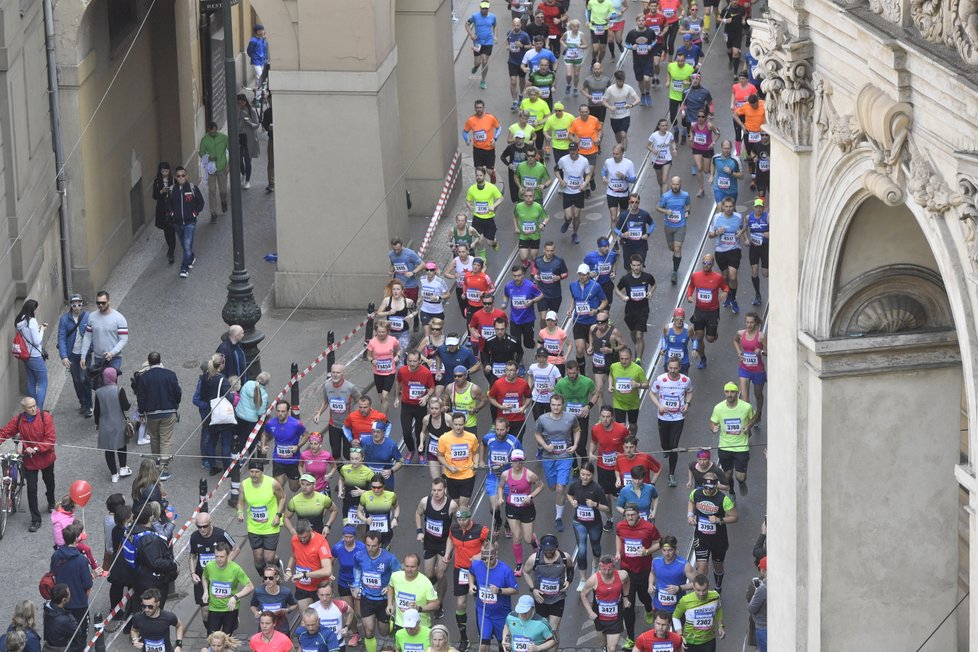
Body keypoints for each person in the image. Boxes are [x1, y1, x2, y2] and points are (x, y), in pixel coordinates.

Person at [0, 397, 56, 532]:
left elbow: (50, 439)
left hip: (46, 457)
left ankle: (51, 501)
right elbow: (5, 432)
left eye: (35, 406)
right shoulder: (19, 420)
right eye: (30, 407)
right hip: (29, 460)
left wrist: (36, 448)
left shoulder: (45, 417)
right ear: (24, 409)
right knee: (31, 489)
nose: (34, 409)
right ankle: (35, 519)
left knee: (49, 481)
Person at [613, 504, 660, 647]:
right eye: (627, 515)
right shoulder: (621, 526)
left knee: (644, 596)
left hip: (644, 569)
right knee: (628, 605)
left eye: (633, 515)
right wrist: (618, 552)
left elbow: (659, 542)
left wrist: (646, 551)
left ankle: (648, 608)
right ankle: (631, 638)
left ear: (638, 514)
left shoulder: (648, 527)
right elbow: (618, 536)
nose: (630, 518)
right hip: (627, 571)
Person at [444, 509, 490, 651]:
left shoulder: (481, 530)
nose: (461, 523)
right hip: (461, 569)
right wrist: (447, 553)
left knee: (480, 602)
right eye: (459, 520)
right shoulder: (454, 528)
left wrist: (480, 555)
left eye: (464, 520)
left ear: (470, 518)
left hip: (478, 570)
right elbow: (450, 538)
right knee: (460, 603)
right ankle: (464, 637)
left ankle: (483, 633)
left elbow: (492, 543)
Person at [535, 394, 580, 532]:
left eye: (558, 405)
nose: (556, 407)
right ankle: (561, 490)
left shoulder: (570, 417)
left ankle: (558, 518)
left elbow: (577, 430)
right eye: (553, 405)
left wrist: (575, 445)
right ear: (550, 405)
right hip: (548, 456)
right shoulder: (542, 419)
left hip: (565, 455)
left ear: (563, 405)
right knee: (552, 487)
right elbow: (537, 434)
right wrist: (544, 446)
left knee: (561, 488)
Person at [687, 471, 737, 592]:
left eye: (711, 488)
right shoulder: (696, 493)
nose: (708, 491)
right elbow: (691, 501)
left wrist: (719, 519)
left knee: (718, 567)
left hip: (718, 539)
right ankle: (703, 592)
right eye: (706, 488)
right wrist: (690, 515)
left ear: (716, 486)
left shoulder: (723, 499)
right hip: (701, 537)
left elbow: (735, 517)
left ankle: (718, 586)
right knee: (701, 568)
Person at [352, 532, 401, 652]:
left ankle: (391, 623)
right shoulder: (359, 555)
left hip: (383, 599)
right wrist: (357, 585)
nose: (370, 548)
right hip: (366, 598)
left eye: (373, 546)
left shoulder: (389, 558)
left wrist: (390, 585)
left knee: (384, 632)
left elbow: (398, 573)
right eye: (368, 545)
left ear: (379, 544)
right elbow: (357, 568)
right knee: (368, 631)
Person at [135, 351, 181, 476]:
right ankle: (163, 469)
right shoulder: (170, 374)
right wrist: (175, 404)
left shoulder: (144, 378)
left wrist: (141, 412)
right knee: (166, 440)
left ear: (149, 362)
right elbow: (177, 392)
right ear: (160, 361)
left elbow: (141, 397)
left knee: (154, 438)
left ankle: (156, 463)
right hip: (168, 411)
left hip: (152, 413)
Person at [497, 448, 543, 574]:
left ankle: (534, 541)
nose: (517, 464)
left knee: (527, 539)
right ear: (511, 461)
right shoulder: (505, 474)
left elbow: (540, 486)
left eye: (520, 461)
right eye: (515, 461)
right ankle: (519, 564)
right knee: (516, 537)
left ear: (524, 461)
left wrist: (531, 496)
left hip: (527, 509)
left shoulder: (529, 474)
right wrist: (500, 498)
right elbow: (501, 487)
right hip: (512, 508)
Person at [237, 459, 287, 574]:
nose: (254, 474)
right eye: (251, 471)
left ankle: (276, 561)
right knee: (259, 559)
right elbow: (241, 501)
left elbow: (282, 497)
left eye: (257, 472)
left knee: (269, 558)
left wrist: (278, 515)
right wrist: (240, 512)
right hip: (254, 527)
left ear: (262, 472)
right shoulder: (244, 485)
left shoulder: (272, 483)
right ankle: (265, 577)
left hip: (271, 526)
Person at [190, 512, 240, 624]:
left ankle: (231, 620)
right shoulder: (194, 537)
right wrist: (193, 573)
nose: (202, 529)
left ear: (211, 522)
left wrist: (225, 564)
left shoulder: (221, 534)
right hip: (202, 577)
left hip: (220, 578)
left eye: (205, 526)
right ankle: (212, 636)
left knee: (223, 606)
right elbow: (192, 556)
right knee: (206, 610)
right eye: (199, 526)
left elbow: (236, 548)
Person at [416, 477, 457, 612]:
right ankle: (430, 595)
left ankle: (439, 603)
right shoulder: (425, 502)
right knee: (428, 574)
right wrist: (419, 531)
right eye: (434, 490)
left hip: (445, 544)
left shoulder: (451, 506)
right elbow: (418, 514)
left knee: (440, 574)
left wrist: (454, 545)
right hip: (429, 542)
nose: (436, 493)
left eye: (439, 490)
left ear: (445, 490)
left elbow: (458, 523)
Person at [470, 539, 519, 652]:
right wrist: (471, 584)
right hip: (484, 613)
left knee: (503, 645)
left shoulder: (505, 570)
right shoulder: (477, 565)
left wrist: (499, 590)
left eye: (490, 558)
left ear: (496, 554)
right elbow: (470, 572)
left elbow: (515, 590)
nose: (486, 561)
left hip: (501, 615)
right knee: (483, 646)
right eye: (484, 558)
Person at [650, 357, 693, 486]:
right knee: (665, 444)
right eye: (670, 368)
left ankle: (671, 474)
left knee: (673, 446)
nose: (673, 371)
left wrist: (687, 404)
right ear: (667, 367)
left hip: (678, 418)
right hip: (663, 417)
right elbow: (652, 393)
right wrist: (659, 406)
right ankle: (665, 449)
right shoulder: (661, 379)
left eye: (675, 368)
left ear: (679, 368)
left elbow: (690, 391)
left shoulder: (685, 380)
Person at [710, 382, 758, 497]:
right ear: (724, 392)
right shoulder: (718, 408)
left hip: (741, 447)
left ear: (737, 393)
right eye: (727, 392)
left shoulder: (746, 407)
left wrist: (749, 426)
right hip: (725, 446)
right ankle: (731, 492)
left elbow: (754, 417)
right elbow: (712, 423)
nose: (729, 394)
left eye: (732, 392)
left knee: (740, 476)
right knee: (727, 475)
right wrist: (713, 428)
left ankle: (741, 483)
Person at [567, 463, 610, 589]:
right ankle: (582, 578)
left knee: (596, 547)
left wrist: (595, 504)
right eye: (583, 474)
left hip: (594, 524)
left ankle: (595, 565)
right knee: (582, 549)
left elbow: (606, 507)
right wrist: (572, 502)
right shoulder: (575, 485)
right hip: (579, 522)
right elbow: (569, 494)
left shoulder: (597, 488)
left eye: (588, 475)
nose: (585, 478)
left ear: (593, 475)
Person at [686, 254, 728, 369]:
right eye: (704, 263)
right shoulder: (695, 276)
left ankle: (714, 334)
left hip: (713, 312)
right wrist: (689, 296)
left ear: (712, 264)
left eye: (709, 263)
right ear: (702, 262)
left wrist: (725, 292)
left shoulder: (718, 277)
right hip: (699, 311)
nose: (706, 265)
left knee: (710, 339)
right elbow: (691, 287)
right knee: (699, 337)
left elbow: (725, 287)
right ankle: (703, 358)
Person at [202, 542, 254, 635]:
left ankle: (234, 622)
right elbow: (204, 577)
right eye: (216, 556)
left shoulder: (235, 569)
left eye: (222, 557)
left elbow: (250, 586)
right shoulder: (209, 566)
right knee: (212, 638)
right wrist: (205, 591)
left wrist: (235, 597)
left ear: (228, 555)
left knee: (226, 639)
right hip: (214, 608)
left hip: (230, 609)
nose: (219, 559)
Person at [50, 524, 92, 638]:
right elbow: (87, 583)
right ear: (76, 538)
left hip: (61, 601)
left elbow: (53, 572)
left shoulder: (56, 555)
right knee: (81, 634)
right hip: (79, 602)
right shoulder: (81, 560)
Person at [580, 555, 629, 652]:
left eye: (610, 569)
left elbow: (627, 582)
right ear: (599, 568)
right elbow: (583, 595)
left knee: (612, 648)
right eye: (604, 570)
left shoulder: (622, 575)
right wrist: (590, 612)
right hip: (599, 617)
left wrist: (625, 597)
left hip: (616, 618)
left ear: (614, 567)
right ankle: (605, 648)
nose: (607, 572)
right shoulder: (593, 580)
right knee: (602, 643)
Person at [163, 165, 204, 278]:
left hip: (190, 222)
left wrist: (195, 213)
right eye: (178, 176)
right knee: (184, 243)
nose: (181, 177)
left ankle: (184, 268)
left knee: (186, 244)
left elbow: (201, 203)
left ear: (186, 176)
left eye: (183, 175)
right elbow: (167, 204)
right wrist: (172, 213)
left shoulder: (192, 188)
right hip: (177, 223)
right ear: (175, 177)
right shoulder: (172, 190)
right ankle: (191, 257)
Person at [283, 519, 333, 610]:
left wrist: (304, 574)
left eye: (305, 537)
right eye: (300, 537)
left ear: (310, 531)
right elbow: (293, 556)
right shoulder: (294, 539)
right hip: (302, 587)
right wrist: (288, 570)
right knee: (307, 619)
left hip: (320, 586)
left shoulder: (321, 542)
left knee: (321, 618)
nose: (302, 540)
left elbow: (327, 571)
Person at [199, 354, 234, 480]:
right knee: (225, 443)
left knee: (212, 440)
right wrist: (234, 396)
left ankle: (212, 466)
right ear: (222, 364)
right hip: (222, 414)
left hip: (210, 412)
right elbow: (228, 398)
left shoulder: (205, 376)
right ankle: (227, 469)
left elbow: (202, 395)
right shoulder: (222, 380)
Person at [614, 255, 656, 361]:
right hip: (630, 311)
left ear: (642, 265)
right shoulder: (626, 279)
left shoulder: (647, 277)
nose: (636, 268)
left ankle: (638, 359)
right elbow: (617, 289)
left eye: (638, 265)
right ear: (631, 266)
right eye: (634, 265)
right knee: (634, 334)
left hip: (643, 309)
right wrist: (622, 296)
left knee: (639, 335)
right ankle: (638, 345)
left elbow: (654, 284)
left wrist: (650, 292)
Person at [94, 366, 132, 482]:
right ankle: (123, 468)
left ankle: (114, 474)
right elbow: (126, 406)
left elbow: (97, 411)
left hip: (105, 424)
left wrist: (97, 423)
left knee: (109, 449)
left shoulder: (98, 392)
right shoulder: (119, 390)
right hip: (118, 423)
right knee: (121, 445)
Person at [57, 294, 92, 417]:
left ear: (82, 304)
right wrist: (64, 356)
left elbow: (93, 334)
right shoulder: (65, 319)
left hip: (85, 354)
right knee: (76, 380)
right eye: (74, 305)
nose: (77, 307)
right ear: (71, 305)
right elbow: (61, 338)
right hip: (72, 354)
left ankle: (89, 405)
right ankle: (83, 403)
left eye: (79, 304)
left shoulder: (88, 317)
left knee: (84, 379)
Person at [709, 197, 746, 315]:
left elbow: (743, 229)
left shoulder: (738, 217)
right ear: (722, 207)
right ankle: (728, 294)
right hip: (720, 251)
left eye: (730, 207)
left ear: (733, 207)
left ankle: (733, 299)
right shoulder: (716, 218)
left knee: (733, 276)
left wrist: (743, 236)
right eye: (726, 206)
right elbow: (710, 235)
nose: (728, 209)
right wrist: (716, 233)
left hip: (734, 250)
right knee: (725, 277)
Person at [79, 289, 128, 376]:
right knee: (99, 385)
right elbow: (87, 337)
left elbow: (123, 339)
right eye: (98, 303)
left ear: (109, 301)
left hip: (114, 358)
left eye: (103, 302)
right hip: (99, 357)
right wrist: (83, 356)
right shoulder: (92, 317)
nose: (100, 305)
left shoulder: (119, 318)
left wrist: (112, 353)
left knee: (110, 383)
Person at [437, 412, 482, 507]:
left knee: (463, 505)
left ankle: (464, 520)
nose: (458, 427)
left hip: (468, 475)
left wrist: (476, 464)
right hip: (451, 476)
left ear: (465, 423)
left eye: (461, 425)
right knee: (455, 505)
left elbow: (476, 452)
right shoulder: (444, 438)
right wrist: (448, 467)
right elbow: (440, 455)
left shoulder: (472, 437)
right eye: (456, 424)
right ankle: (463, 521)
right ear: (452, 424)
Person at [568, 264, 607, 371]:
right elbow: (574, 298)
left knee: (592, 351)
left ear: (589, 274)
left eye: (584, 275)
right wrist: (571, 309)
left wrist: (596, 310)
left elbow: (604, 301)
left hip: (592, 323)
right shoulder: (572, 285)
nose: (582, 277)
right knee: (580, 350)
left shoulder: (596, 286)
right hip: (578, 321)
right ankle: (582, 373)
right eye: (580, 274)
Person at [386, 553, 439, 629]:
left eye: (412, 567)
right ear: (403, 565)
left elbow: (435, 604)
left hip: (421, 626)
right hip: (401, 623)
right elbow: (390, 586)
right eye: (407, 566)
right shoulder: (395, 576)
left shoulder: (425, 583)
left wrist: (419, 608)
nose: (409, 570)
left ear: (418, 567)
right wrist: (390, 603)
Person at [649, 535, 696, 617]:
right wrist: (650, 585)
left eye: (670, 550)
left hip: (678, 608)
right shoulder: (656, 561)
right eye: (664, 550)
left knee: (676, 630)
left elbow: (697, 583)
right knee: (660, 629)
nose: (667, 553)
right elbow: (652, 573)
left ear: (675, 549)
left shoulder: (684, 565)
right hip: (659, 607)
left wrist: (679, 588)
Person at [672, 575, 724, 650]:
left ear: (708, 586)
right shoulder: (685, 600)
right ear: (693, 587)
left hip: (709, 640)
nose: (701, 593)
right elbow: (675, 616)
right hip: (690, 641)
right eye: (698, 590)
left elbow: (718, 609)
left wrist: (721, 626)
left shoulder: (715, 596)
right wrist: (680, 635)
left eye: (704, 590)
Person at [655, 177, 691, 285]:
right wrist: (666, 211)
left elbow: (688, 205)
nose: (675, 186)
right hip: (669, 226)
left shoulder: (685, 195)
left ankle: (675, 271)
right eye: (674, 184)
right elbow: (658, 208)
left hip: (681, 225)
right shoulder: (666, 196)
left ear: (681, 184)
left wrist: (687, 211)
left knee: (677, 248)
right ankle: (675, 256)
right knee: (671, 248)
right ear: (671, 184)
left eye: (677, 184)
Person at [13, 300, 48, 410]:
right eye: (36, 308)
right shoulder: (31, 321)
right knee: (43, 383)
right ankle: (38, 410)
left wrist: (37, 330)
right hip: (35, 356)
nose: (37, 311)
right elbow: (37, 341)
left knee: (32, 382)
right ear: (32, 309)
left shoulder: (20, 321)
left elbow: (28, 336)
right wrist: (42, 329)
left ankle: (31, 409)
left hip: (26, 356)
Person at [488, 361, 532, 443]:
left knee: (516, 444)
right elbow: (491, 398)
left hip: (518, 419)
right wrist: (500, 406)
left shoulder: (523, 383)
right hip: (502, 420)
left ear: (517, 371)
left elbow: (528, 397)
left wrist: (524, 407)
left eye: (512, 370)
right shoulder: (498, 383)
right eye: (507, 370)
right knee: (502, 444)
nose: (509, 373)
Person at [130, 588, 185, 652]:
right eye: (144, 606)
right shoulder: (138, 617)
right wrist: (134, 640)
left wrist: (179, 645)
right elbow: (133, 630)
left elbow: (179, 626)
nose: (146, 610)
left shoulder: (168, 616)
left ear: (157, 603)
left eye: (150, 607)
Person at [735, 312, 767, 419]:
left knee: (758, 395)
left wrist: (761, 351)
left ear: (756, 323)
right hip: (744, 369)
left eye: (751, 323)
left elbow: (772, 351)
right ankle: (748, 421)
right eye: (747, 322)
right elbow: (735, 341)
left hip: (758, 371)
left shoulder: (761, 337)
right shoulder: (741, 333)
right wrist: (739, 351)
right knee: (745, 398)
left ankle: (758, 413)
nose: (749, 325)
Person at [608, 347, 647, 434]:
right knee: (621, 426)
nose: (624, 361)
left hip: (633, 403)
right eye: (621, 358)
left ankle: (633, 439)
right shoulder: (614, 366)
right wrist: (610, 385)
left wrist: (637, 385)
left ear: (631, 358)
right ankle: (623, 445)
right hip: (619, 402)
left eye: (626, 359)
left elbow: (646, 385)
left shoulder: (638, 369)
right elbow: (610, 375)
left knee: (632, 425)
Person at [466, 169, 505, 257]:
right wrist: (470, 206)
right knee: (479, 240)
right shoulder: (472, 188)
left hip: (489, 218)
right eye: (477, 175)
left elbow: (501, 198)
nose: (478, 177)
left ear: (484, 176)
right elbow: (468, 201)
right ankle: (483, 259)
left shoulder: (491, 187)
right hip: (477, 218)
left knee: (490, 242)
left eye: (480, 175)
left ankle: (494, 243)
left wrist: (493, 206)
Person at [588, 311, 624, 399]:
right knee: (599, 389)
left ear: (607, 322)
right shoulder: (593, 328)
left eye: (602, 324)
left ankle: (618, 407)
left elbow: (623, 345)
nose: (600, 327)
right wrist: (590, 346)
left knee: (617, 389)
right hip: (598, 363)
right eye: (598, 324)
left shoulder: (614, 332)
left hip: (612, 363)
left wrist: (611, 350)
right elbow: (590, 334)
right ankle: (602, 411)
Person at [464, 100, 502, 184]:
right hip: (477, 149)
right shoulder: (471, 120)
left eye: (480, 107)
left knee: (489, 171)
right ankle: (481, 186)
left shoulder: (490, 117)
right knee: (478, 171)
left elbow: (499, 128)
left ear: (484, 108)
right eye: (477, 108)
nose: (479, 109)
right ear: (474, 108)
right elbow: (465, 132)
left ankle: (492, 175)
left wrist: (495, 138)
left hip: (489, 149)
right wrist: (466, 140)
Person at [357, 473, 399, 548]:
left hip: (385, 532)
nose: (376, 490)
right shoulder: (365, 496)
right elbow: (359, 511)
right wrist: (365, 520)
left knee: (384, 555)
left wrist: (395, 518)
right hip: (371, 533)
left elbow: (397, 507)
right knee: (372, 554)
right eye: (373, 487)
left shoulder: (391, 495)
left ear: (384, 486)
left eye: (379, 487)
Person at [613, 194, 655, 269]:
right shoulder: (623, 215)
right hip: (628, 246)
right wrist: (622, 235)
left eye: (636, 202)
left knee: (638, 267)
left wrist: (648, 234)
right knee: (629, 269)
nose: (634, 204)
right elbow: (616, 229)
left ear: (639, 202)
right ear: (629, 202)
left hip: (641, 246)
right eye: (632, 202)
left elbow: (652, 224)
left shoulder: (644, 214)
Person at [602, 71, 640, 152]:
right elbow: (603, 101)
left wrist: (631, 105)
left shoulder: (628, 88)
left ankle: (624, 153)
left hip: (625, 116)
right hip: (614, 117)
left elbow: (638, 99)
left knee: (623, 134)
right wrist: (610, 107)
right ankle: (620, 147)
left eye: (623, 81)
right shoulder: (610, 89)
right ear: (616, 80)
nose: (621, 83)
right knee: (618, 136)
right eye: (620, 81)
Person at [309, 583, 354, 649]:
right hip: (319, 646)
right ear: (318, 594)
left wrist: (346, 627)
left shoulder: (341, 605)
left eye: (327, 595)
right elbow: (304, 625)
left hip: (338, 644)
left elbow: (351, 612)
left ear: (333, 594)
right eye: (322, 595)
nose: (324, 598)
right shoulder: (312, 608)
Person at [199, 122, 229, 220]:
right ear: (208, 131)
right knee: (212, 190)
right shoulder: (204, 140)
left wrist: (228, 165)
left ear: (217, 129)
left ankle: (223, 201)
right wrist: (208, 158)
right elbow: (201, 153)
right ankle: (213, 212)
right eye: (211, 133)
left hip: (222, 168)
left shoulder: (224, 138)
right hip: (211, 169)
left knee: (223, 190)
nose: (213, 133)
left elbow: (231, 150)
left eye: (215, 132)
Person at [512, 189, 548, 268]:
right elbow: (514, 216)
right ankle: (526, 263)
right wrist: (516, 227)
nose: (528, 198)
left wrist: (543, 224)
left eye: (530, 196)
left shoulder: (538, 207)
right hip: (523, 236)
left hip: (535, 235)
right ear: (523, 197)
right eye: (526, 196)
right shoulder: (518, 206)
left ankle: (533, 268)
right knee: (523, 257)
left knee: (533, 256)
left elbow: (547, 217)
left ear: (534, 197)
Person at [624, 15, 656, 107]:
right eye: (639, 21)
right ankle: (642, 94)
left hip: (648, 59)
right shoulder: (632, 33)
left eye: (642, 20)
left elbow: (655, 40)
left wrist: (651, 46)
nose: (641, 22)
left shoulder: (650, 32)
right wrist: (631, 47)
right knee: (640, 80)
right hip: (637, 60)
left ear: (645, 21)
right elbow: (626, 43)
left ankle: (648, 94)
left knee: (646, 79)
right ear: (636, 22)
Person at [532, 242, 569, 319]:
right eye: (547, 250)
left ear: (554, 251)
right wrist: (535, 276)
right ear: (544, 250)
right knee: (543, 317)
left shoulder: (559, 261)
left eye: (551, 251)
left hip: (555, 295)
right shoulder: (538, 260)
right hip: (542, 294)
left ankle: (553, 330)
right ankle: (543, 331)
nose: (549, 253)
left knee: (552, 318)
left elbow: (565, 273)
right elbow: (534, 269)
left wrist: (559, 277)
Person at [467, 2, 498, 90]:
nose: (485, 10)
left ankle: (483, 80)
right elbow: (467, 24)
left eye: (486, 8)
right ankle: (476, 66)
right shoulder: (474, 16)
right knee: (478, 62)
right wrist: (471, 34)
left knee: (484, 61)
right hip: (477, 42)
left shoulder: (493, 17)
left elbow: (495, 26)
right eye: (483, 8)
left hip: (488, 42)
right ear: (480, 8)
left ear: (489, 8)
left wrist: (495, 36)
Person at [42, 585, 83, 652]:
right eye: (69, 593)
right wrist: (68, 614)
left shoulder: (47, 610)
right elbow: (78, 631)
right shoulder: (65, 619)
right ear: (64, 600)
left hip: (48, 646)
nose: (70, 594)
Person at [151, 162, 177, 263]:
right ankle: (170, 247)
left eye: (166, 171)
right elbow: (154, 196)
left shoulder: (173, 180)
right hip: (162, 209)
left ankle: (171, 251)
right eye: (163, 171)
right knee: (166, 231)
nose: (165, 173)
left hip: (171, 207)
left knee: (172, 229)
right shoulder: (157, 181)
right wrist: (161, 191)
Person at [746, 198, 769, 306]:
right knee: (754, 271)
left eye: (760, 207)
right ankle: (758, 294)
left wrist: (769, 233)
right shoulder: (749, 217)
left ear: (763, 208)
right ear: (754, 208)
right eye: (757, 207)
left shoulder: (767, 217)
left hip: (765, 247)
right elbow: (744, 227)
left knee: (765, 273)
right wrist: (746, 238)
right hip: (754, 247)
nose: (758, 209)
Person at [418, 263, 451, 338]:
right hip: (425, 310)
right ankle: (428, 348)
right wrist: (420, 298)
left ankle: (440, 347)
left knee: (437, 334)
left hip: (437, 311)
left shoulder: (440, 281)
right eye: (427, 270)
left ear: (435, 271)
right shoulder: (422, 279)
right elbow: (421, 290)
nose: (429, 272)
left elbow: (448, 295)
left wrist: (437, 298)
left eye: (431, 270)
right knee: (427, 335)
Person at [506, 19, 532, 110]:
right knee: (513, 81)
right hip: (512, 61)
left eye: (517, 25)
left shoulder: (524, 35)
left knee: (521, 80)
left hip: (522, 61)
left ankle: (521, 94)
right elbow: (507, 42)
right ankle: (514, 101)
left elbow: (530, 46)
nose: (516, 27)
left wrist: (522, 46)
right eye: (514, 25)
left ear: (520, 25)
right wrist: (507, 46)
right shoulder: (509, 33)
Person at [237, 95, 259, 190]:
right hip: (239, 137)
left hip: (248, 137)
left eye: (242, 102)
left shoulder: (251, 111)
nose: (240, 104)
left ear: (245, 102)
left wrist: (249, 122)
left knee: (247, 159)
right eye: (238, 103)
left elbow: (256, 124)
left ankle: (247, 181)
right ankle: (243, 173)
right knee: (238, 159)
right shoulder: (236, 111)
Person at [660, 308, 692, 374]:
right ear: (673, 317)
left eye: (681, 319)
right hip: (669, 360)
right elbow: (663, 338)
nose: (679, 321)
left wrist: (695, 349)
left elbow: (694, 339)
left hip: (683, 361)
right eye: (677, 319)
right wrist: (663, 348)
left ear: (684, 318)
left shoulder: (688, 329)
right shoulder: (667, 328)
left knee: (683, 380)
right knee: (669, 380)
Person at [711, 140, 743, 205]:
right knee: (719, 207)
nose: (726, 150)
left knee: (730, 209)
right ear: (721, 148)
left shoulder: (736, 160)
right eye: (724, 148)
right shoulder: (716, 158)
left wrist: (731, 172)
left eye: (728, 148)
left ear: (731, 148)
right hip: (719, 188)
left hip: (732, 190)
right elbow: (713, 164)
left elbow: (741, 176)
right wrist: (712, 175)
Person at [748, 557, 767, 651]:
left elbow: (751, 608)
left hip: (763, 627)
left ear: (763, 570)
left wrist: (756, 591)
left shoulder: (762, 589)